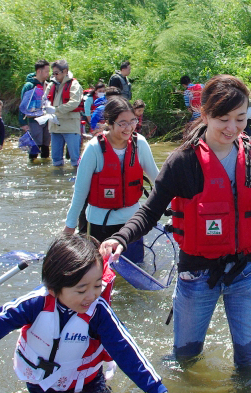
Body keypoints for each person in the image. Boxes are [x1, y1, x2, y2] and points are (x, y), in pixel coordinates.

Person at [100, 75, 251, 369]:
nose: (232, 128)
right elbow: (149, 211)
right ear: (205, 115)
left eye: (240, 118)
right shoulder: (182, 161)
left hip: (247, 272)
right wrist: (120, 238)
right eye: (223, 119)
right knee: (185, 359)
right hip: (197, 275)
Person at [0, 234, 185, 393]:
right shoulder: (35, 304)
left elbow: (127, 352)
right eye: (81, 290)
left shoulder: (98, 313)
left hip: (89, 384)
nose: (91, 296)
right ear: (54, 289)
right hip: (44, 388)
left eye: (96, 286)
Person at [63, 97, 159, 263]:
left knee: (134, 273)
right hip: (99, 224)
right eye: (122, 123)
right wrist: (69, 228)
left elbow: (159, 183)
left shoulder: (140, 144)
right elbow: (80, 193)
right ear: (109, 122)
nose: (128, 128)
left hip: (132, 224)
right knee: (101, 275)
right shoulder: (94, 148)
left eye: (132, 121)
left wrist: (179, 212)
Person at [45, 60, 84, 168]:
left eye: (56, 73)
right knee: (56, 158)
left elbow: (74, 103)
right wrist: (45, 108)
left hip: (70, 126)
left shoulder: (74, 85)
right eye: (53, 73)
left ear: (65, 71)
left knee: (75, 159)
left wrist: (56, 109)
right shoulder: (51, 85)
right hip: (54, 125)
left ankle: (76, 181)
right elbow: (45, 99)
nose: (54, 75)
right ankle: (56, 181)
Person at [19, 60, 51, 163]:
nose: (48, 74)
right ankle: (32, 163)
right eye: (47, 71)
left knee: (46, 142)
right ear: (39, 71)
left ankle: (45, 163)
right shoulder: (29, 86)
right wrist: (23, 123)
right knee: (35, 142)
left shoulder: (47, 85)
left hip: (46, 118)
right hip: (33, 119)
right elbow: (22, 105)